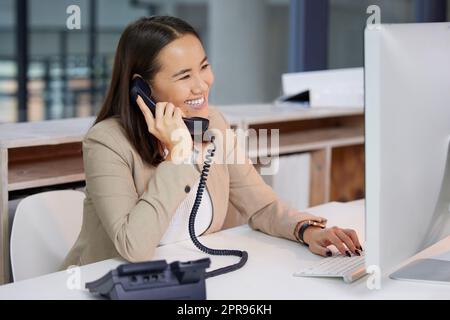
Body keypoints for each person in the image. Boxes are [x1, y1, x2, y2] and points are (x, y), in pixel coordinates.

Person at [61, 16, 362, 270]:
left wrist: (306, 230)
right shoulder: (107, 142)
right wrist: (178, 155)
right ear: (142, 88)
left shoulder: (212, 124)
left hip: (186, 273)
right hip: (108, 283)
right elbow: (134, 247)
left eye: (203, 67)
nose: (202, 84)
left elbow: (261, 206)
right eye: (184, 76)